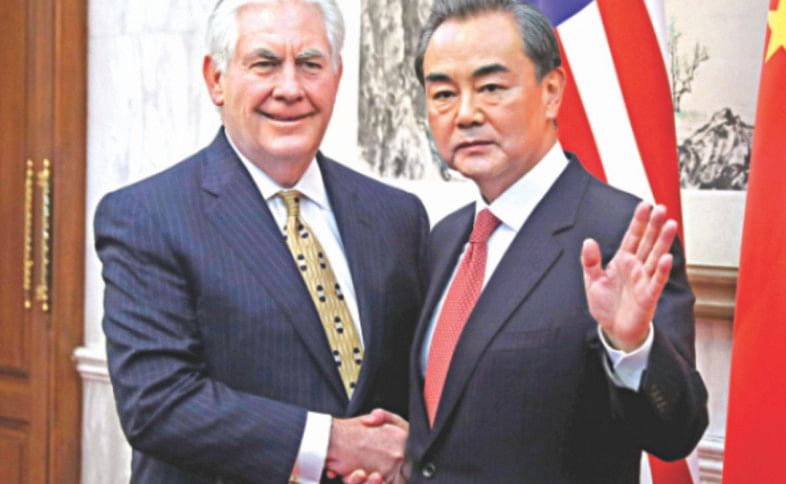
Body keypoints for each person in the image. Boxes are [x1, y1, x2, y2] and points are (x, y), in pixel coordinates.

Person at [94, 1, 425, 482]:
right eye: (265, 63)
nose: (290, 88)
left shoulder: (398, 216)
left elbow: (415, 382)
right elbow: (157, 403)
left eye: (310, 64)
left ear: (336, 75)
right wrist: (332, 444)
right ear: (216, 79)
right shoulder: (146, 217)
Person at [397, 0, 708, 481]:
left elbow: (676, 433)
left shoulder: (620, 235)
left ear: (551, 92)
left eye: (491, 88)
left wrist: (631, 345)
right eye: (443, 94)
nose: (466, 114)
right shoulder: (446, 239)